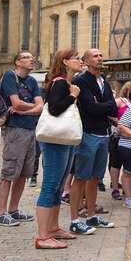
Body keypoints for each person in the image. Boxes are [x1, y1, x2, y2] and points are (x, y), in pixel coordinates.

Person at [35, 49, 83, 249]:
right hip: (56, 140)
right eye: (77, 58)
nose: (81, 61)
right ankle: (42, 236)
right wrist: (72, 96)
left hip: (64, 140)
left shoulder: (67, 83)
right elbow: (54, 108)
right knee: (50, 185)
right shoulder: (60, 82)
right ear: (65, 61)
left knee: (58, 185)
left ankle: (53, 228)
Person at [69, 49, 117, 234]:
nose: (100, 58)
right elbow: (90, 107)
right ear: (86, 61)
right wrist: (103, 106)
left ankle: (91, 215)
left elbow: (113, 108)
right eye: (95, 56)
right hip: (88, 134)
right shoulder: (81, 80)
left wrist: (102, 105)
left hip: (104, 134)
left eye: (101, 55)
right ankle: (74, 219)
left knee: (96, 178)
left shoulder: (104, 80)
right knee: (81, 177)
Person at [0, 51, 43, 227]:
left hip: (31, 129)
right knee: (9, 171)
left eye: (32, 58)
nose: (32, 60)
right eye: (27, 58)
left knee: (24, 173)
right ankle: (1, 214)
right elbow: (16, 103)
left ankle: (14, 210)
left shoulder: (31, 81)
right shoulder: (9, 76)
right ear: (17, 62)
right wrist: (33, 107)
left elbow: (41, 108)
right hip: (15, 129)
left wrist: (26, 109)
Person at [109, 81, 131, 201]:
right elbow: (109, 114)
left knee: (128, 164)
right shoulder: (120, 101)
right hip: (118, 135)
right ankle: (115, 188)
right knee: (116, 163)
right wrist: (117, 123)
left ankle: (127, 188)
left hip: (130, 136)